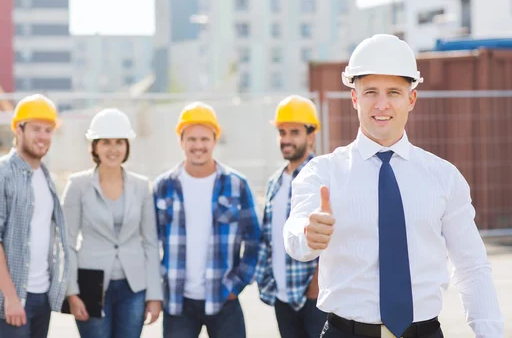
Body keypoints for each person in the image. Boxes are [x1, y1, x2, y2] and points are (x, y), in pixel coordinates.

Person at [283, 34, 504, 338]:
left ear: (411, 98)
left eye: (394, 92)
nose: (382, 104)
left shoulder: (444, 177)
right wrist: (308, 235)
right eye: (370, 91)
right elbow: (295, 237)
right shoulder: (322, 173)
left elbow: (472, 267)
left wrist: (489, 333)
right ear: (354, 98)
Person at [153, 101, 262, 338]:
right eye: (191, 139)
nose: (198, 146)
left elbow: (255, 240)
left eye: (204, 139)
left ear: (215, 140)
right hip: (178, 302)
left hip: (224, 299)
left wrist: (236, 285)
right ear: (181, 141)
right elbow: (150, 243)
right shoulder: (164, 186)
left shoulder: (236, 185)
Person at [0, 94, 69, 338]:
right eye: (36, 129)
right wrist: (11, 297)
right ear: (18, 129)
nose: (43, 136)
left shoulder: (46, 177)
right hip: (12, 297)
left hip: (41, 294)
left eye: (48, 130)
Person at [61, 108, 163, 338]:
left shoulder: (140, 186)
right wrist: (71, 292)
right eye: (106, 142)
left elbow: (150, 243)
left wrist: (155, 295)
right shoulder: (78, 185)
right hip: (90, 284)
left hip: (133, 287)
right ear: (95, 146)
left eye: (119, 142)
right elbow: (66, 241)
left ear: (128, 146)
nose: (113, 149)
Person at [254, 95, 327, 338]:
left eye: (294, 132)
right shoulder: (275, 181)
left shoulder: (322, 176)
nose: (286, 139)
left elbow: (333, 234)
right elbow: (268, 237)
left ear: (311, 135)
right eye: (282, 132)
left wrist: (317, 285)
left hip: (314, 298)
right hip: (283, 296)